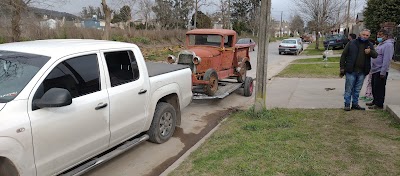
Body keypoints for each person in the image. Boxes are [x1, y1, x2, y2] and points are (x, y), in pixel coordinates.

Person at [340, 29, 378, 111]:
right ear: (360, 34)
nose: (365, 36)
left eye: (367, 35)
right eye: (363, 34)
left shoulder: (369, 44)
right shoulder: (351, 43)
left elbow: (375, 55)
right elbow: (344, 55)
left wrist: (370, 52)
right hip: (351, 70)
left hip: (362, 71)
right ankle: (347, 104)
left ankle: (355, 104)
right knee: (349, 89)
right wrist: (342, 68)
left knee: (357, 89)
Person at [367, 29, 395, 109]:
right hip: (375, 69)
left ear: (386, 36)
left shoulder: (388, 45)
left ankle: (379, 104)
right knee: (374, 86)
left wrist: (383, 72)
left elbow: (387, 59)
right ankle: (375, 101)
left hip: (381, 70)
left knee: (379, 87)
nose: (378, 37)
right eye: (378, 35)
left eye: (380, 35)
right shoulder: (380, 44)